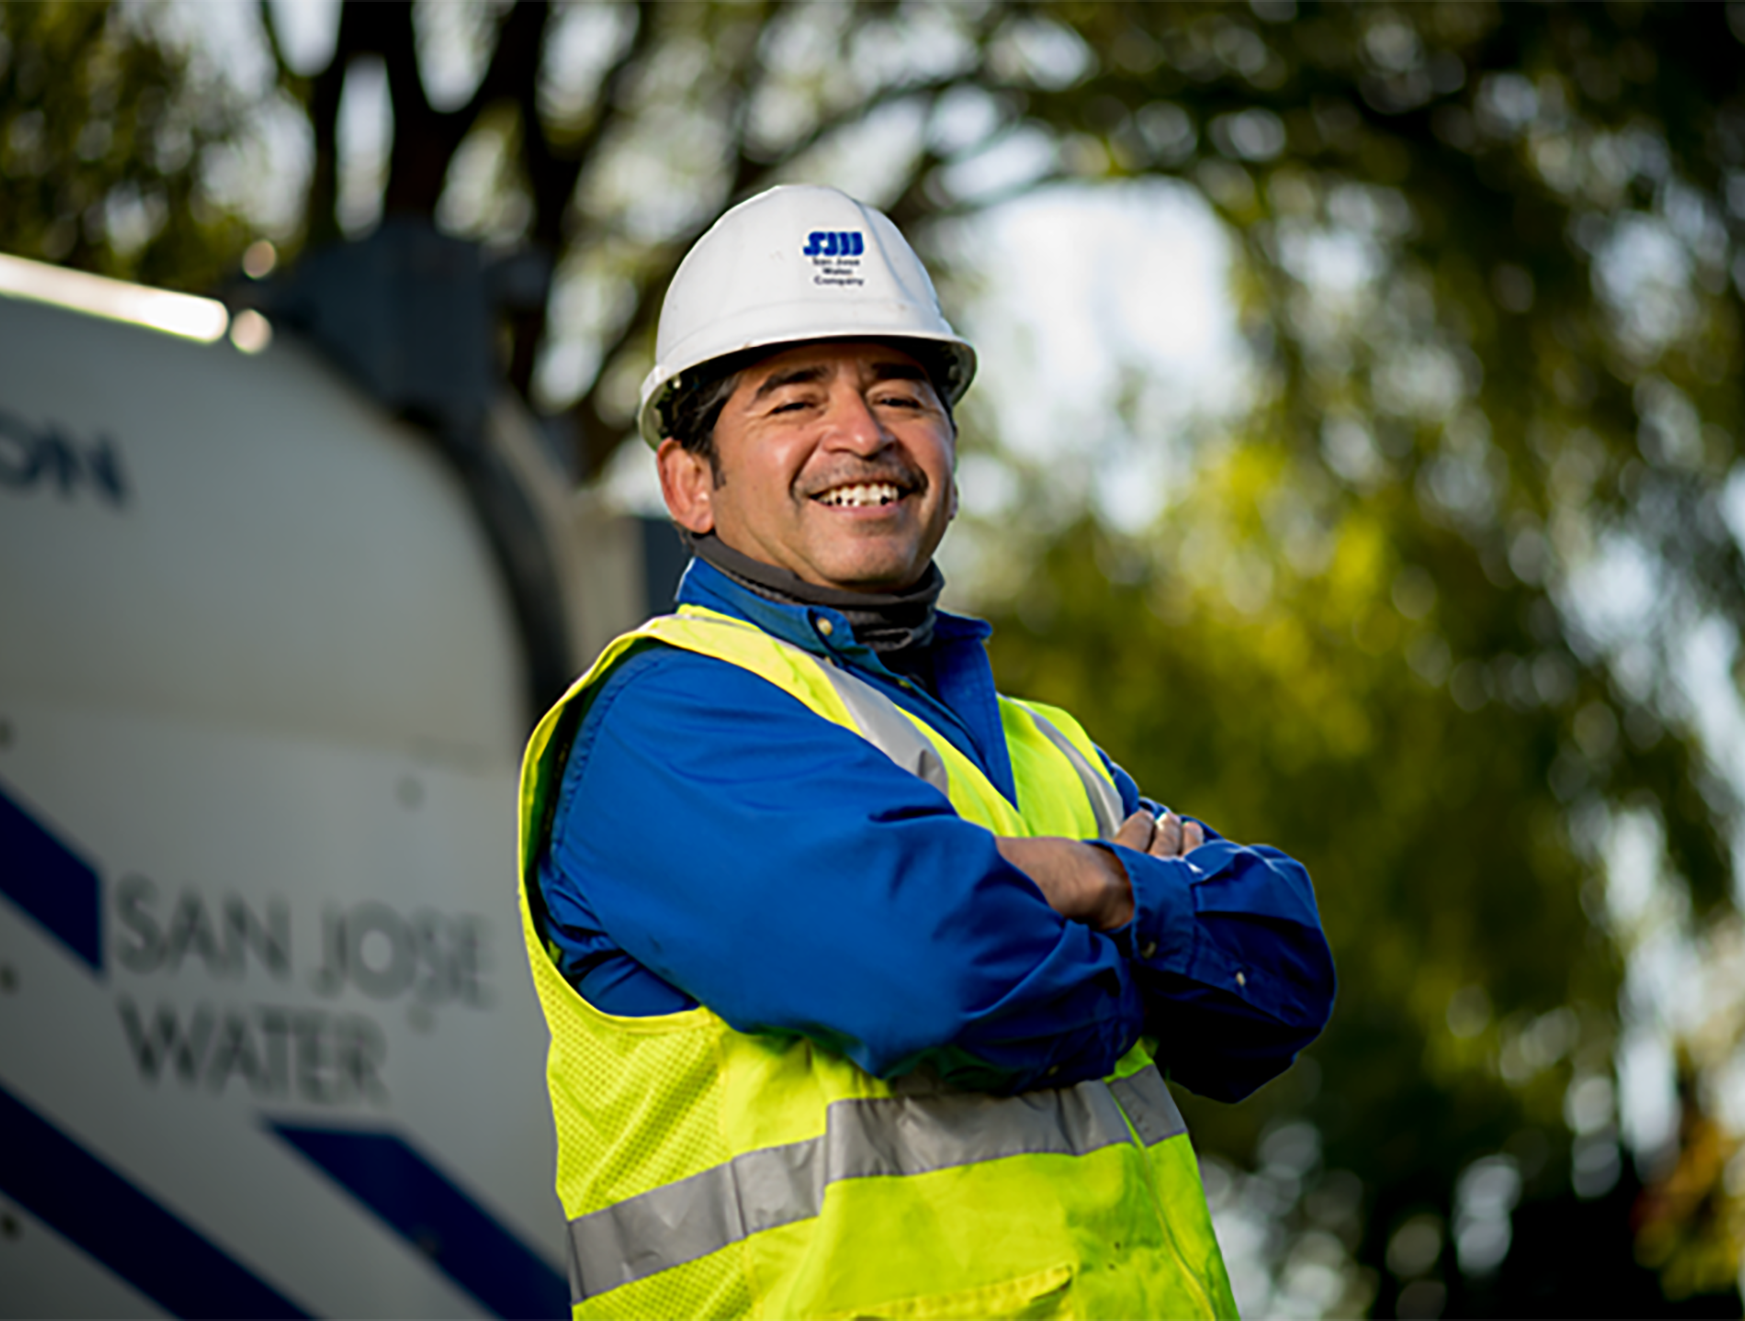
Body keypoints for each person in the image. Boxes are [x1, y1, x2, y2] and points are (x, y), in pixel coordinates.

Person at [516, 184, 1335, 1320]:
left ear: (948, 444)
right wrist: (1145, 914)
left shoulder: (1043, 744)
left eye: (899, 392)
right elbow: (935, 974)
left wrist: (1094, 881)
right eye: (792, 400)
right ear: (688, 482)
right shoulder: (664, 721)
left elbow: (1282, 976)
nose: (863, 435)